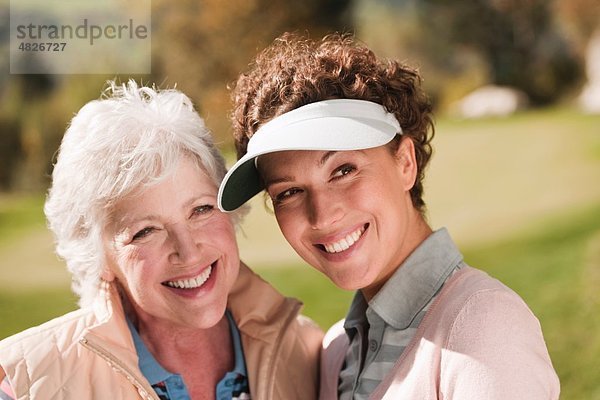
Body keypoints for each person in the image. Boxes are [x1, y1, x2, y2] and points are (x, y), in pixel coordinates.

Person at [217, 33, 560, 399]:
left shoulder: (483, 324)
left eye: (344, 170)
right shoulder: (337, 353)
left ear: (405, 163)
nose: (323, 215)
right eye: (288, 192)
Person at [0, 81, 323, 400]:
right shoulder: (23, 382)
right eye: (145, 231)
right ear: (99, 257)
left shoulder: (307, 351)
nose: (187, 250)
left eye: (201, 209)